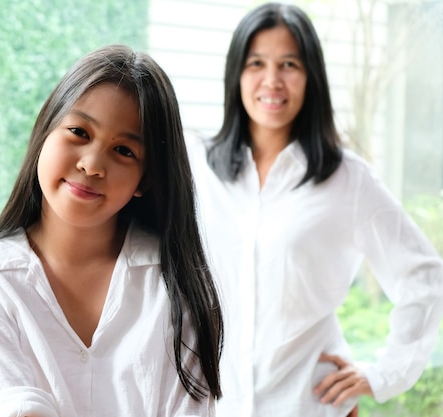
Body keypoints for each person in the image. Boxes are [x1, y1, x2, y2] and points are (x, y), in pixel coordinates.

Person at [186, 2, 443, 417]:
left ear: (311, 78)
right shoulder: (196, 168)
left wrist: (385, 374)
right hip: (215, 406)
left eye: (289, 64)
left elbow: (424, 275)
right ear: (236, 72)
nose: (272, 80)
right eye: (256, 63)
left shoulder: (348, 179)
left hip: (311, 404)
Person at [0, 44, 223, 417]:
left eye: (124, 151)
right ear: (45, 130)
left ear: (146, 179)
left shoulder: (178, 285)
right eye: (79, 131)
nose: (92, 164)